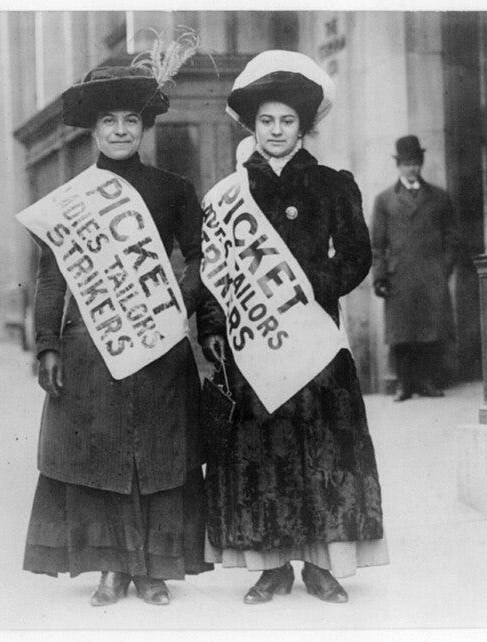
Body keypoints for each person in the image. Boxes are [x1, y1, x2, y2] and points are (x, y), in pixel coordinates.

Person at [198, 50, 388, 605]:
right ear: (252, 127)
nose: (276, 131)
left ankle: (322, 564)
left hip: (317, 340)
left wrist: (314, 287)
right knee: (262, 448)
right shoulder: (229, 195)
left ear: (303, 127)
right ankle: (270, 565)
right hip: (253, 341)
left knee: (322, 447)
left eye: (287, 121)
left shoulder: (332, 184)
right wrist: (212, 324)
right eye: (266, 121)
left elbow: (356, 255)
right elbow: (212, 273)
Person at [22, 58, 210, 606]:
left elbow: (204, 259)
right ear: (94, 129)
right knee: (102, 456)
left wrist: (178, 299)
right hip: (91, 346)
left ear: (145, 127)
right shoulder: (69, 200)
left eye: (131, 119)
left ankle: (151, 569)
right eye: (110, 121)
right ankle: (110, 566)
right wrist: (48, 344)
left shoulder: (173, 189)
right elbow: (51, 279)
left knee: (156, 455)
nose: (121, 130)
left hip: (159, 342)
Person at [371, 135, 459, 401]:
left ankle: (428, 381)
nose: (411, 168)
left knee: (431, 330)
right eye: (406, 164)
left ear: (421, 164)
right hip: (400, 275)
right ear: (398, 166)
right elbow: (377, 244)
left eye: (415, 163)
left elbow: (452, 239)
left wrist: (443, 269)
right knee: (402, 333)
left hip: (430, 273)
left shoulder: (439, 197)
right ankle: (404, 384)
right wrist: (380, 277)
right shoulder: (385, 200)